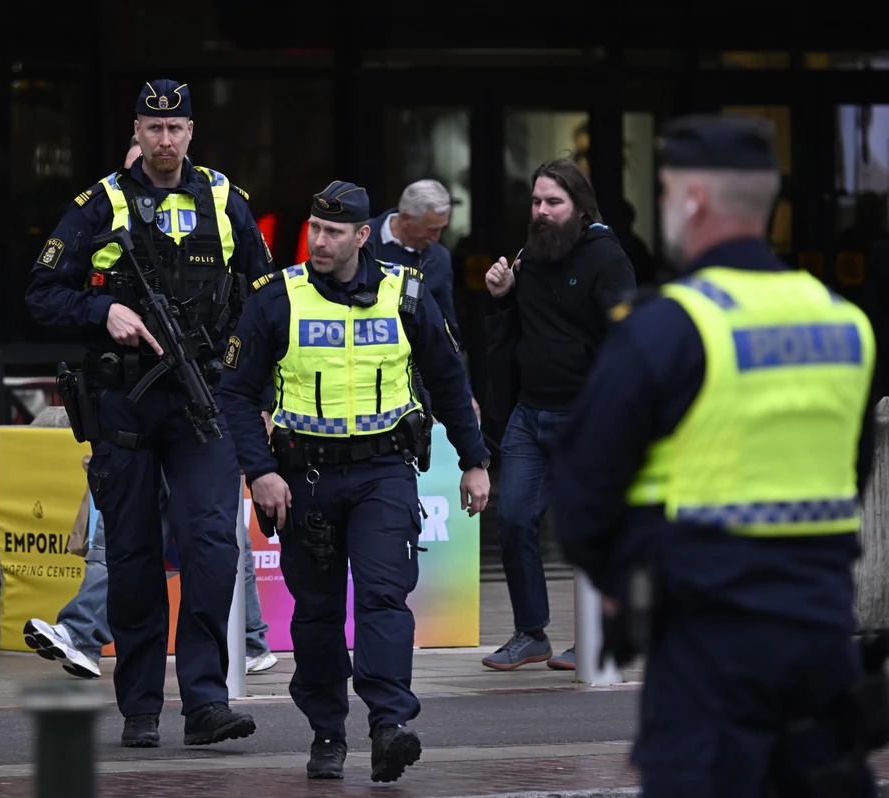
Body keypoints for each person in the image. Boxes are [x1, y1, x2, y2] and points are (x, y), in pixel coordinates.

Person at [553, 114, 881, 796]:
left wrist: (620, 587)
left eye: (669, 191)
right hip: (823, 642)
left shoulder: (669, 325)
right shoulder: (844, 323)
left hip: (709, 650)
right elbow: (850, 472)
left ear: (694, 200)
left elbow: (583, 487)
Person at [24, 79, 274, 749]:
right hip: (125, 405)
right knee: (132, 559)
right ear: (136, 131)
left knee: (212, 548)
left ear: (191, 132)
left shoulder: (225, 201)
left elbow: (266, 303)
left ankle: (205, 702)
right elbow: (41, 292)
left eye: (176, 129)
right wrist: (102, 310)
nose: (165, 141)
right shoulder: (98, 204)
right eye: (153, 129)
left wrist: (267, 398)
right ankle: (139, 707)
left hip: (205, 404)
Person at [219, 181, 492, 782]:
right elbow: (234, 394)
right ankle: (327, 732)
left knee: (382, 598)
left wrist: (475, 460)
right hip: (304, 476)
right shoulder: (275, 297)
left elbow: (449, 379)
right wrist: (259, 471)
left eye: (334, 232)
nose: (320, 240)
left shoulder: (406, 294)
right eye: (315, 228)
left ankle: (390, 725)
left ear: (363, 236)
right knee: (316, 613)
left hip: (382, 472)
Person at [481, 159, 635, 672]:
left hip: (585, 415)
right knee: (513, 518)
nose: (542, 211)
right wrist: (502, 298)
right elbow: (513, 333)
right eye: (536, 202)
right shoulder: (531, 255)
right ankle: (532, 634)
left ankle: (596, 635)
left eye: (553, 202)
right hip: (531, 412)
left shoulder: (605, 258)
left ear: (579, 207)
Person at [366, 178, 479, 423]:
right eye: (431, 230)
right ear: (406, 217)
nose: (437, 238)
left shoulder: (439, 258)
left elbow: (447, 331)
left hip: (414, 388)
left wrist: (464, 393)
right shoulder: (361, 240)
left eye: (441, 229)